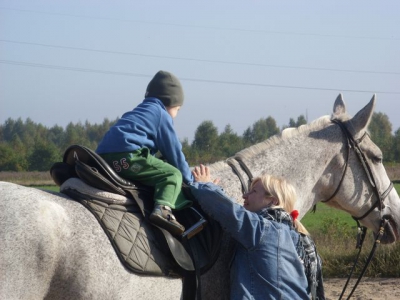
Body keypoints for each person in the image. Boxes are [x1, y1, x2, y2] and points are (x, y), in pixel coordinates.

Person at [190, 165, 325, 300]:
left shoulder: (264, 230)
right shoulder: (296, 237)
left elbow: (227, 210)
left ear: (273, 201)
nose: (245, 195)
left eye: (253, 192)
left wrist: (205, 186)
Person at [96, 70, 193, 236]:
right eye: (178, 109)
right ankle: (163, 209)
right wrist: (191, 182)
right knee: (172, 175)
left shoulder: (139, 111)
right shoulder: (161, 115)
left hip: (102, 158)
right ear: (170, 103)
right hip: (129, 156)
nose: (176, 115)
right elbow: (175, 153)